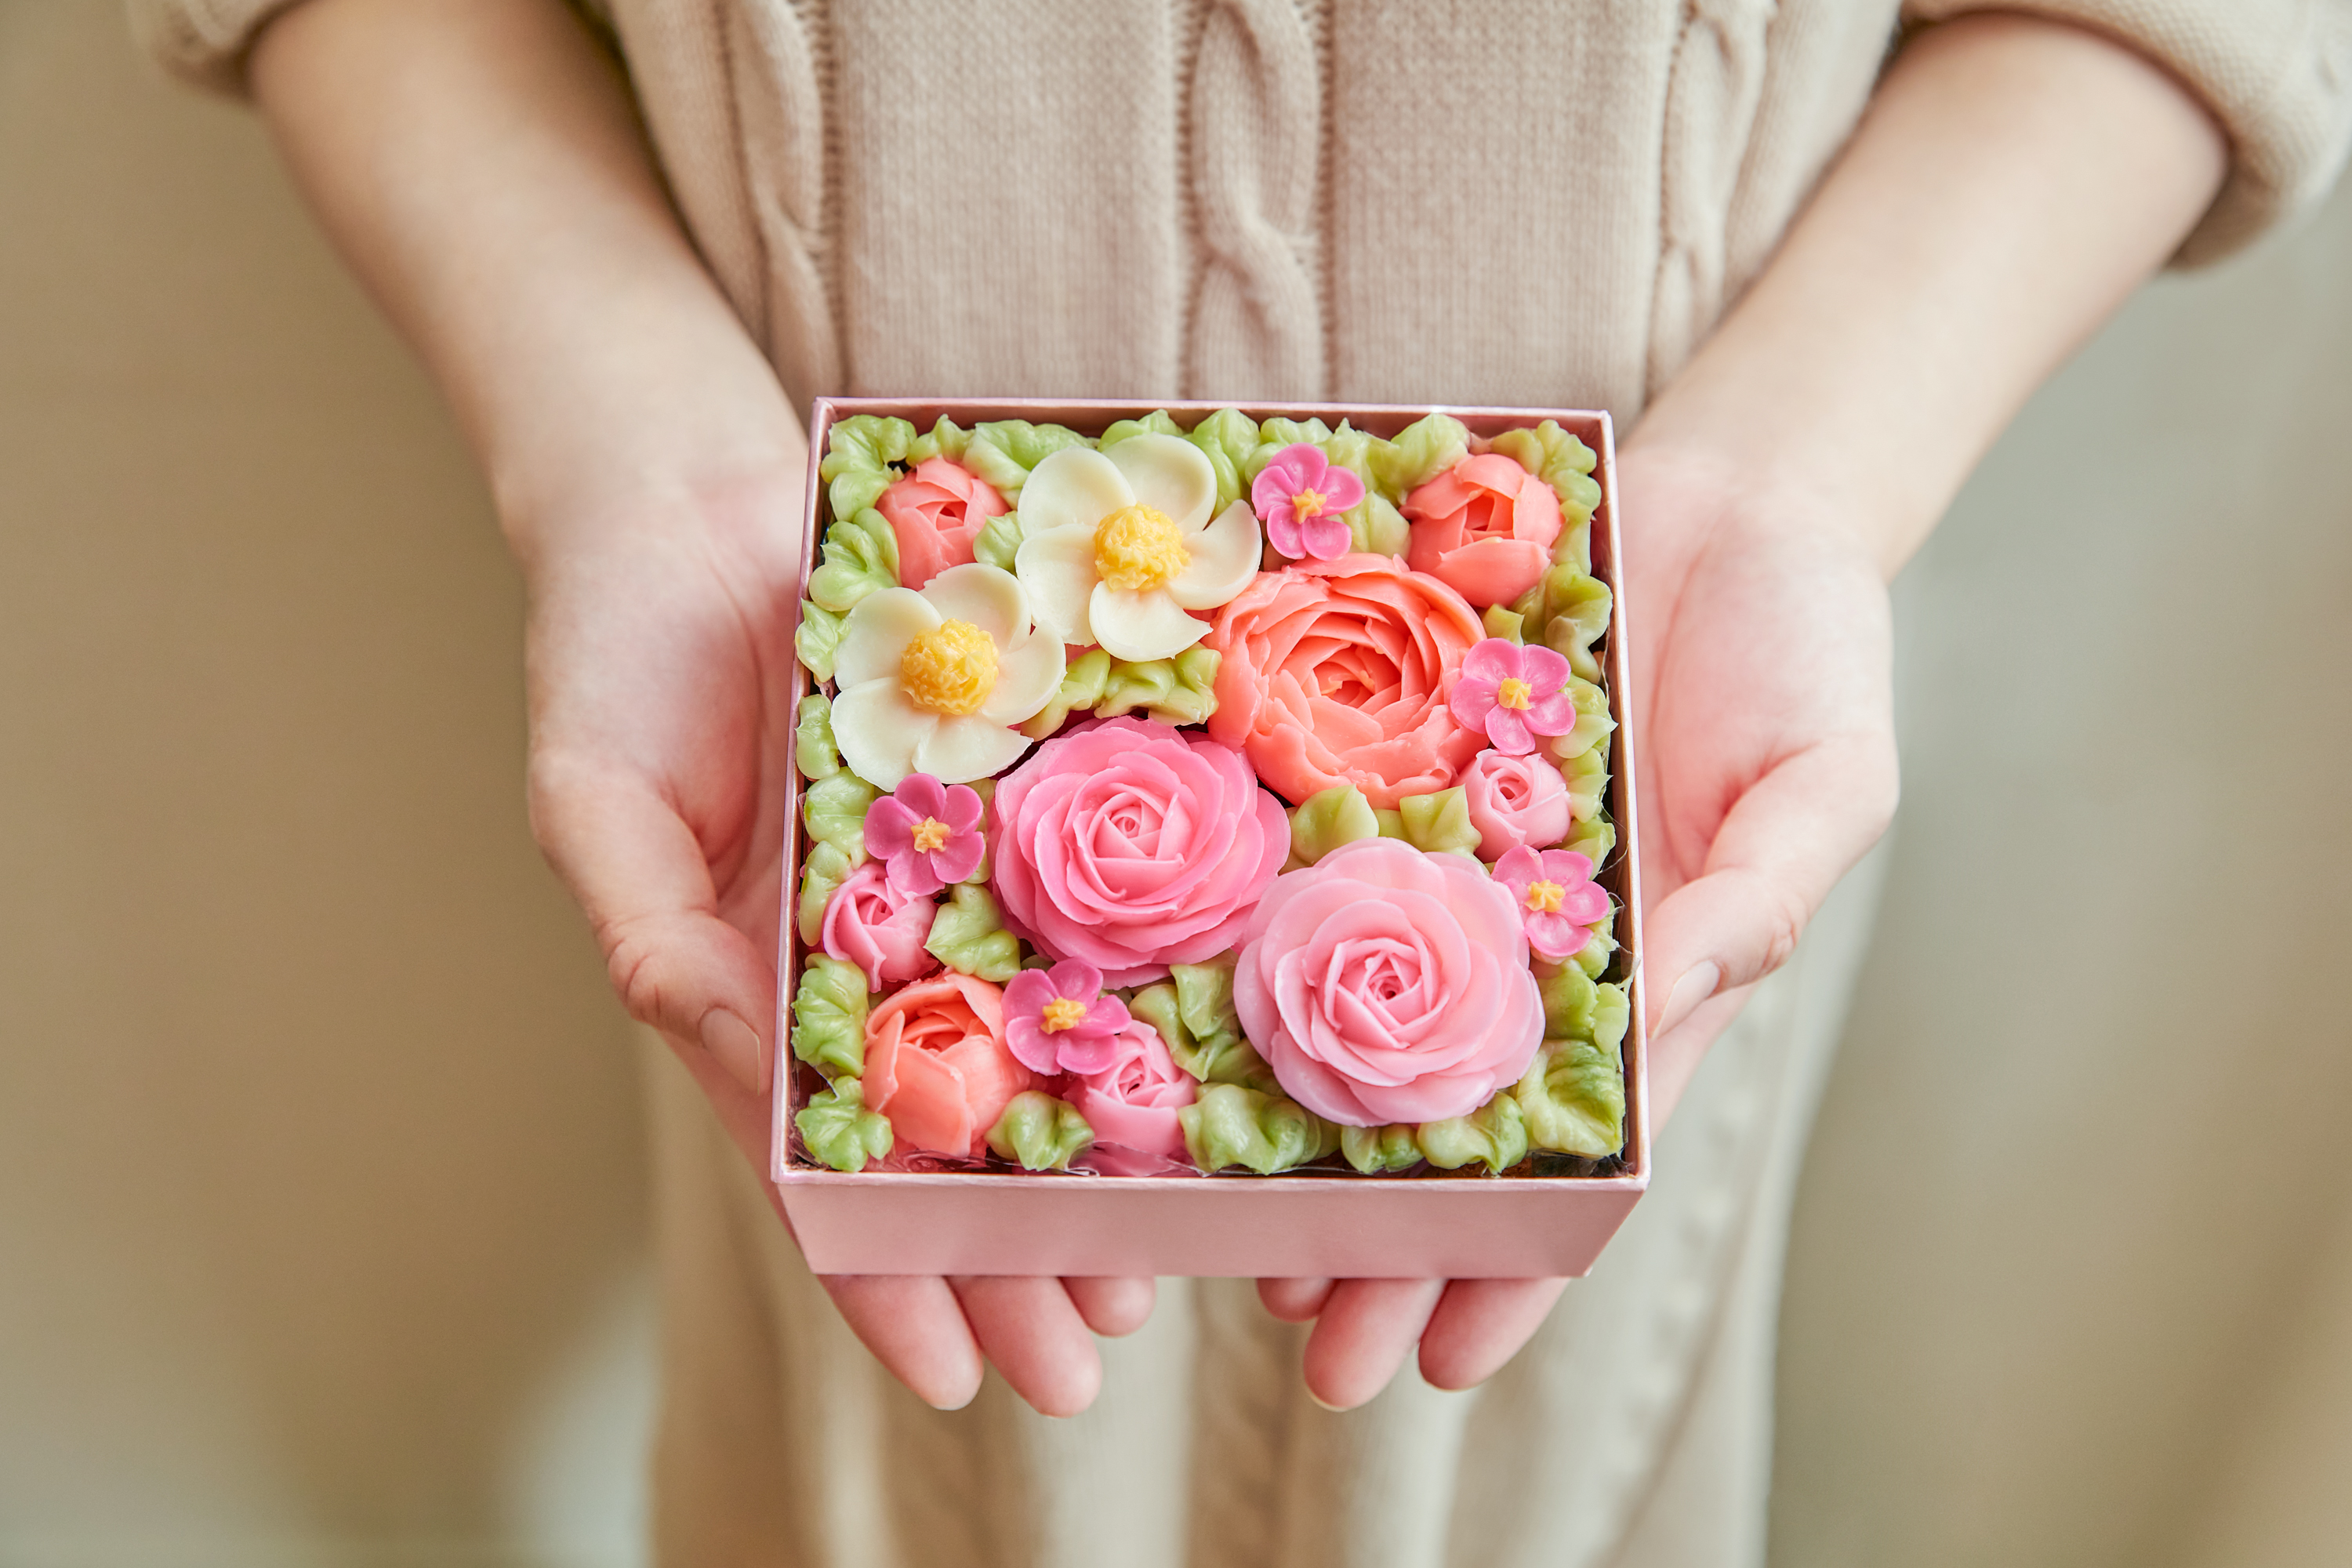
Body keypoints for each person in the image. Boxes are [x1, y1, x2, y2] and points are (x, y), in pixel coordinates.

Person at [134, 0, 2350, 1561]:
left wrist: (1799, 481)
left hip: (1637, 763)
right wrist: (601, 412)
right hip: (815, 729)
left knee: (1539, 1476)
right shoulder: (841, 736)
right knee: (848, 1466)